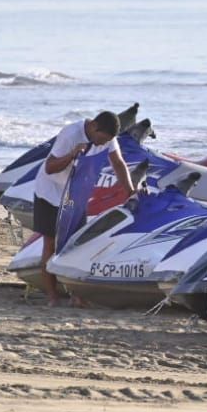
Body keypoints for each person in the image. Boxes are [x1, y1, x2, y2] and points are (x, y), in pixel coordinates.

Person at [35, 110, 135, 307]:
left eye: (107, 141)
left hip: (75, 195)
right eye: (102, 140)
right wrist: (71, 155)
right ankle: (53, 296)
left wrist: (131, 191)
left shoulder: (108, 138)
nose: (102, 144)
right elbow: (49, 167)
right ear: (94, 126)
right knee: (51, 244)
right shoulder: (71, 134)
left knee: (75, 245)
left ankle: (76, 295)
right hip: (50, 192)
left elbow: (118, 163)